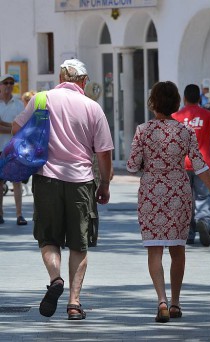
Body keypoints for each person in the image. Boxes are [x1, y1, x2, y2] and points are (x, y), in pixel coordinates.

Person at [12, 58, 114, 320]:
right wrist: (104, 183)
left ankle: (56, 279)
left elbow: (16, 127)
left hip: (46, 179)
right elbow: (103, 152)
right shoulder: (92, 107)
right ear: (83, 81)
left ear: (60, 77)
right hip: (80, 181)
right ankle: (74, 303)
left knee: (48, 238)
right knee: (79, 243)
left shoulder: (41, 99)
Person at [127, 81, 210, 323]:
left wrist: (147, 164)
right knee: (177, 249)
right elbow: (200, 165)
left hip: (151, 193)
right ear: (175, 104)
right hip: (178, 193)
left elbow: (131, 166)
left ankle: (160, 300)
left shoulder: (142, 130)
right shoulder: (185, 131)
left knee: (154, 249)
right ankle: (175, 302)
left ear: (152, 103)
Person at [172, 84, 210, 246]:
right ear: (199, 98)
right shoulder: (207, 115)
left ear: (184, 98)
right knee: (204, 199)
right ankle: (204, 222)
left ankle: (188, 233)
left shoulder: (176, 116)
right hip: (204, 164)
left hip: (182, 165)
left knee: (185, 201)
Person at [0, 74, 28, 225]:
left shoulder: (18, 104)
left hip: (14, 149)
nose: (9, 85)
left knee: (16, 181)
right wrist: (12, 127)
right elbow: (16, 127)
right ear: (0, 85)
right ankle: (0, 213)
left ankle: (19, 215)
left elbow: (22, 127)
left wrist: (5, 125)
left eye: (11, 82)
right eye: (6, 82)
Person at [20, 90, 38, 196]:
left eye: (29, 100)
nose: (27, 101)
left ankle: (28, 185)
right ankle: (24, 186)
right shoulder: (23, 112)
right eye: (26, 100)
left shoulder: (37, 112)